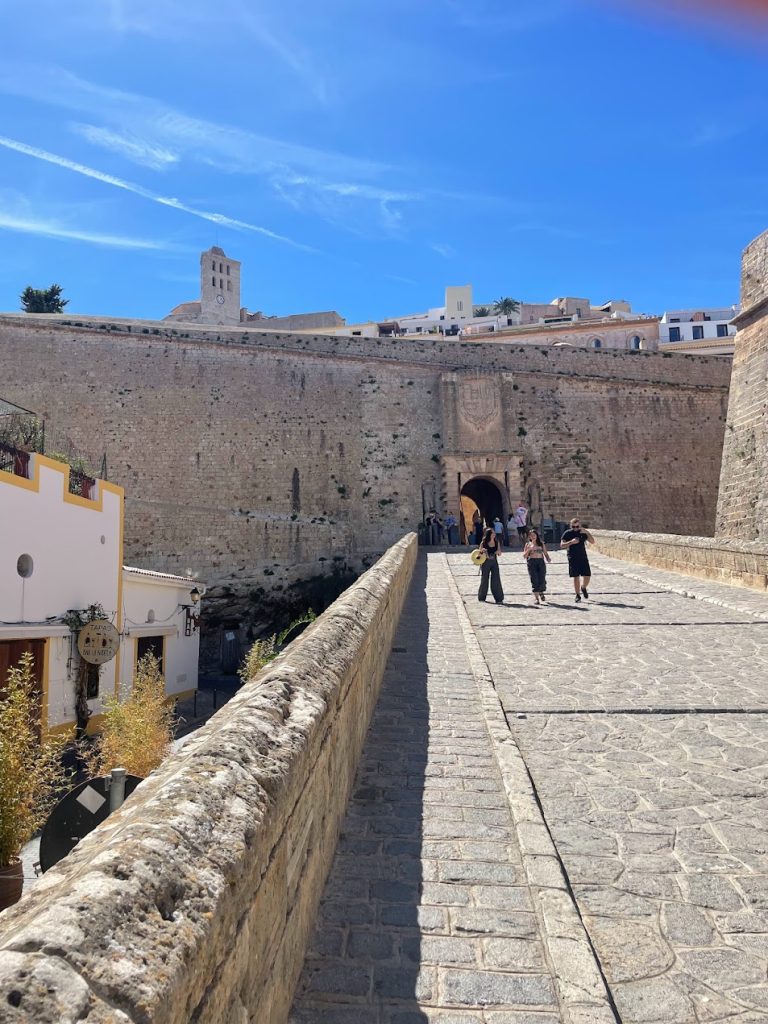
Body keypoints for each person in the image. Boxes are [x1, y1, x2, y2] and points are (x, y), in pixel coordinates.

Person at [560, 517, 594, 602]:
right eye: (573, 527)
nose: (575, 528)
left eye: (577, 526)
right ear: (571, 526)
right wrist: (571, 542)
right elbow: (562, 545)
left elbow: (592, 541)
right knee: (576, 577)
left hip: (583, 556)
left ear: (579, 525)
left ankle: (583, 587)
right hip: (572, 557)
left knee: (587, 575)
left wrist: (586, 532)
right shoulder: (567, 533)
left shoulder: (582, 533)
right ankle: (577, 595)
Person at [523, 528, 551, 605]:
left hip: (540, 562)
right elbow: (524, 556)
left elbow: (545, 553)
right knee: (534, 579)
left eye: (534, 535)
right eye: (531, 535)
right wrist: (529, 550)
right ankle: (536, 598)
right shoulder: (527, 544)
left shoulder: (541, 544)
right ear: (529, 537)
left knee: (542, 579)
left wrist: (548, 558)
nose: (533, 537)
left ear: (537, 536)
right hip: (532, 562)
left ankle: (541, 591)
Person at [477, 526, 504, 604]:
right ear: (489, 534)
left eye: (494, 533)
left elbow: (499, 552)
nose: (494, 534)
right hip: (485, 562)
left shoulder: (496, 542)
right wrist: (482, 551)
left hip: (494, 562)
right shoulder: (484, 542)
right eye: (493, 533)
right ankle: (482, 597)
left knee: (496, 579)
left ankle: (499, 598)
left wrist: (497, 552)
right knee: (484, 579)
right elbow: (479, 553)